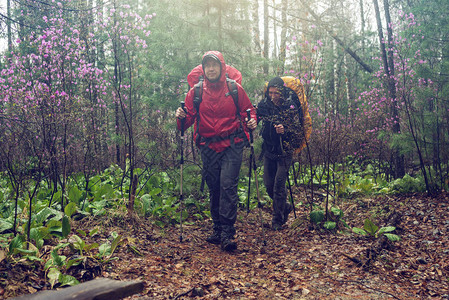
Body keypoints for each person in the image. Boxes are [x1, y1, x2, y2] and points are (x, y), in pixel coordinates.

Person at [175, 51, 257, 251]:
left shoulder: (234, 88)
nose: (211, 69)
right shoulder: (196, 92)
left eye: (214, 65)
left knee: (227, 185)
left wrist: (252, 122)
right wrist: (180, 117)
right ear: (203, 69)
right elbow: (186, 122)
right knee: (214, 187)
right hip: (208, 146)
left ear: (221, 67)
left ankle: (228, 233)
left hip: (232, 144)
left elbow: (248, 111)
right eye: (207, 65)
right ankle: (218, 228)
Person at [256, 77, 303, 231]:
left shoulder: (290, 106)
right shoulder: (264, 105)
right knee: (269, 186)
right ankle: (285, 206)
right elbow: (255, 117)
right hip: (269, 151)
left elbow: (297, 131)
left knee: (278, 186)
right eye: (270, 93)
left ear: (282, 93)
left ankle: (277, 220)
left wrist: (285, 130)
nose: (273, 96)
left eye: (276, 93)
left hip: (285, 152)